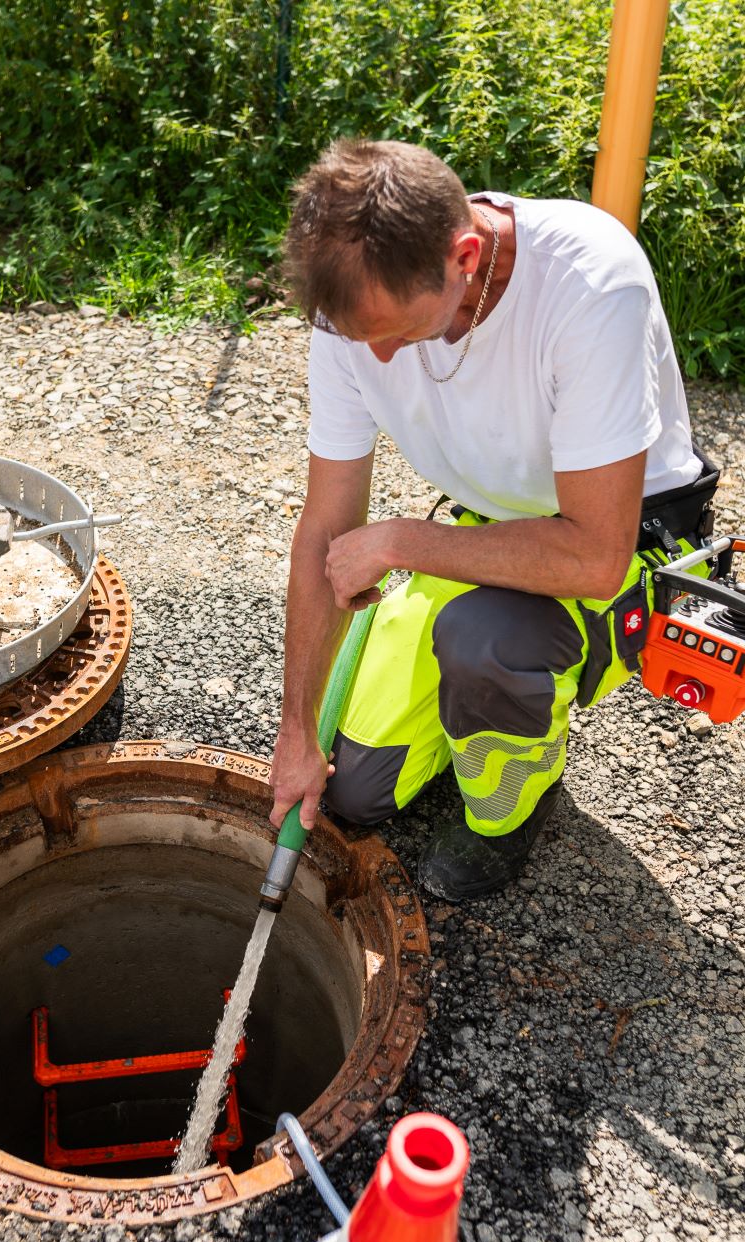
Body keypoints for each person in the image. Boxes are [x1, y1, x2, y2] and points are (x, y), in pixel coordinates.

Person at [267, 138, 718, 901]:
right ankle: (480, 704)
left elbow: (594, 558)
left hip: (625, 550)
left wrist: (403, 541)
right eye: (361, 338)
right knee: (353, 791)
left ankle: (509, 810)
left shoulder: (588, 286)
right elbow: (325, 529)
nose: (380, 359)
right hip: (485, 533)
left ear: (466, 257)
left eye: (398, 334)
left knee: (486, 645)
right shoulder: (355, 312)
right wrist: (296, 731)